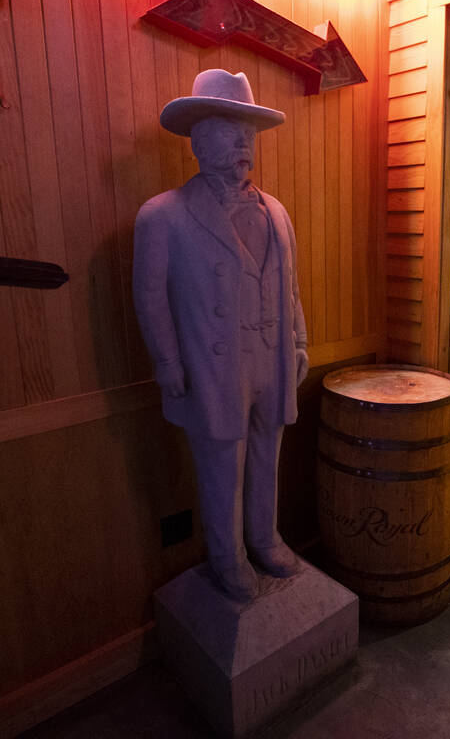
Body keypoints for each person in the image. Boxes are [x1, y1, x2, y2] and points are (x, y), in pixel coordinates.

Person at [133, 70, 309, 601]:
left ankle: (264, 538)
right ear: (199, 140)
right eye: (232, 132)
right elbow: (150, 297)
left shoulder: (275, 211)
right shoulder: (162, 216)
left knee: (265, 455)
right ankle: (227, 557)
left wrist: (300, 341)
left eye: (248, 134)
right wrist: (167, 363)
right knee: (221, 464)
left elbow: (291, 286)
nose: (244, 145)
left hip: (272, 356)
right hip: (214, 364)